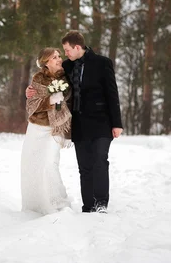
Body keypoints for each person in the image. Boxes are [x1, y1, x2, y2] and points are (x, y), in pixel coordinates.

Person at [27, 31, 123, 214]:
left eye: (67, 50)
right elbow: (48, 74)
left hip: (102, 123)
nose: (65, 54)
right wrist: (30, 90)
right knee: (84, 166)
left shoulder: (103, 63)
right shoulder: (67, 66)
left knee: (100, 161)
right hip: (79, 124)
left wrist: (116, 123)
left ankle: (101, 203)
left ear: (77, 47)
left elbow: (112, 93)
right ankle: (88, 206)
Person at [21, 47, 73, 215]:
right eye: (54, 57)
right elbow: (32, 104)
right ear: (46, 62)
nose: (59, 59)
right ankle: (36, 205)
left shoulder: (67, 76)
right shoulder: (38, 78)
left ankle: (57, 203)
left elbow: (63, 99)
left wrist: (47, 99)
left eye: (59, 56)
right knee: (32, 166)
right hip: (36, 128)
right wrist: (48, 100)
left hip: (55, 127)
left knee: (50, 163)